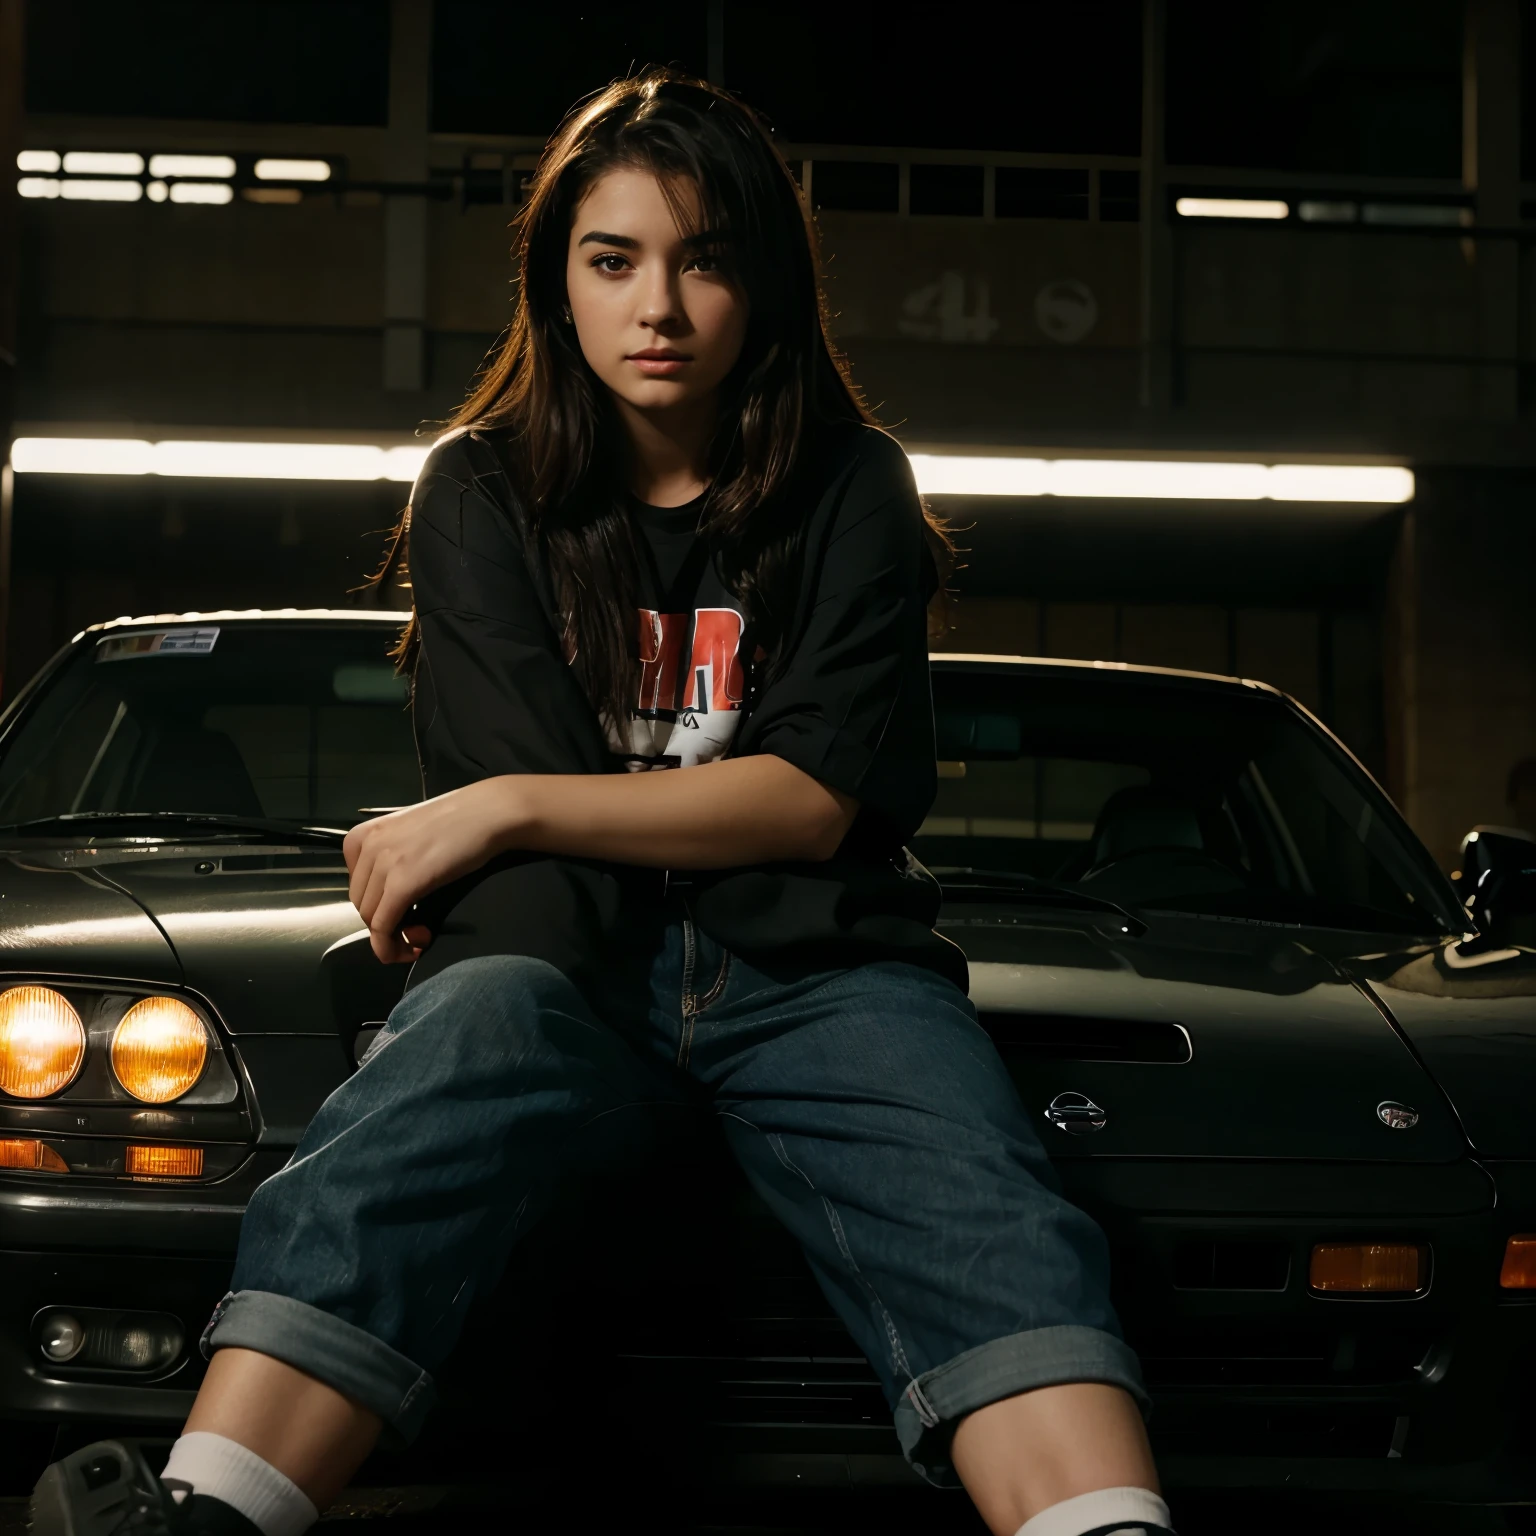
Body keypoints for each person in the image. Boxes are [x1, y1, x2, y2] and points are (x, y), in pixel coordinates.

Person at [33, 70, 1172, 1536]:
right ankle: (206, 1513)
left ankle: (1106, 1524)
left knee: (982, 1196)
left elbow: (811, 806)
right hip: (560, 963)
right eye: (613, 258)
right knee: (406, 1117)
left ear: (762, 283)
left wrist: (503, 804)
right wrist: (527, 819)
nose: (661, 307)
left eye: (706, 259)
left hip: (817, 968)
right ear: (554, 279)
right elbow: (551, 855)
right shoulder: (481, 493)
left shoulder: (851, 489)